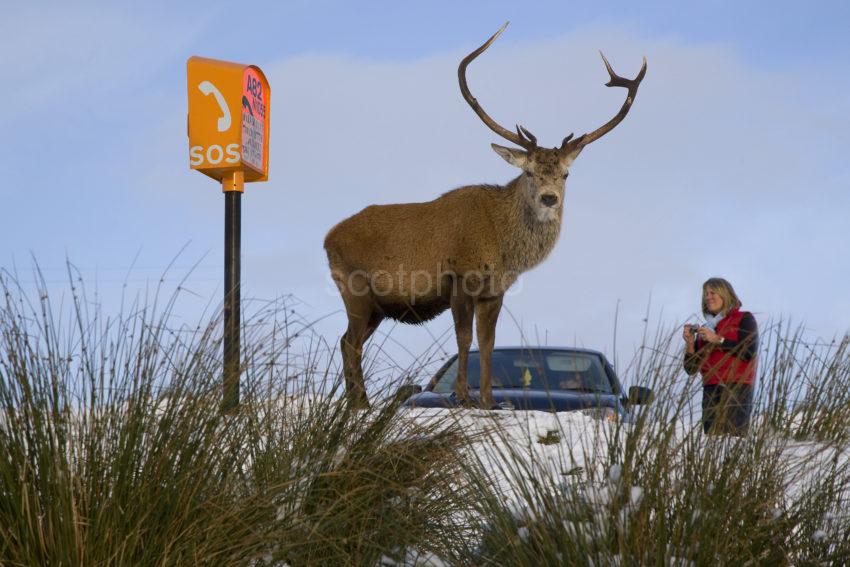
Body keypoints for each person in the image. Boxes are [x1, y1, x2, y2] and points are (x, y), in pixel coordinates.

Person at [682, 277, 758, 436]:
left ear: (725, 294)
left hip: (737, 387)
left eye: (713, 292)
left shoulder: (744, 318)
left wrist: (717, 339)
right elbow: (691, 368)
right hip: (710, 389)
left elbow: (749, 352)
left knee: (734, 439)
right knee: (712, 441)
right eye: (706, 294)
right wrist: (690, 343)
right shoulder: (706, 328)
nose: (708, 297)